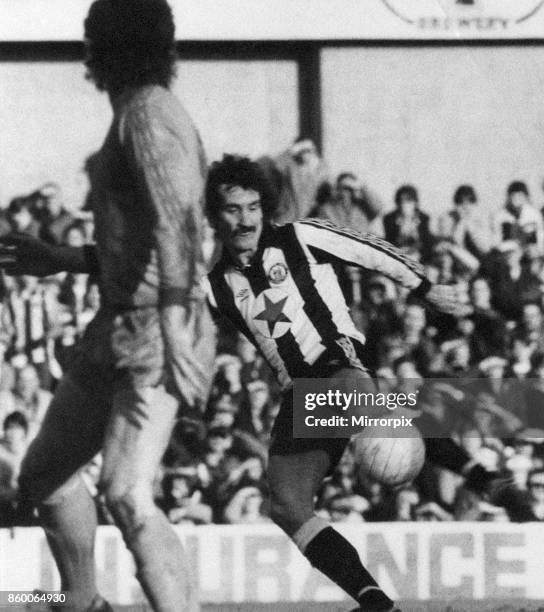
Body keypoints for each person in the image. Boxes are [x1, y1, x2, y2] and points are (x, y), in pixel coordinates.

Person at [202, 154, 495, 612]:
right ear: (214, 216)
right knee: (285, 504)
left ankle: (486, 479)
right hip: (298, 397)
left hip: (339, 364)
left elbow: (371, 250)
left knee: (370, 409)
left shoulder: (301, 236)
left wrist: (425, 287)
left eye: (254, 207)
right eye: (233, 210)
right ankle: (373, 599)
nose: (246, 220)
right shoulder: (215, 286)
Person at [0, 1, 213, 611]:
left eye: (92, 41)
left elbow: (181, 224)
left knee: (125, 491)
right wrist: (60, 259)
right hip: (118, 324)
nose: (85, 54)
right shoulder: (133, 114)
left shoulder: (147, 114)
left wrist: (174, 322)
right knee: (43, 475)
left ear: (109, 46)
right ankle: (85, 605)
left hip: (157, 327)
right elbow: (140, 243)